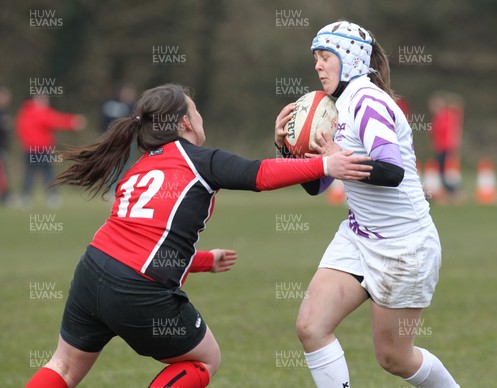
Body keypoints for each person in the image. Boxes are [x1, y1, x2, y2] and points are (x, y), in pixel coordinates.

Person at [26, 84, 372, 388]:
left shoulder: (141, 166)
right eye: (196, 109)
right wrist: (327, 166)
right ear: (186, 122)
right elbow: (261, 174)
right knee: (206, 359)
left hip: (91, 271)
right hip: (137, 288)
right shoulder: (201, 161)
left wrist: (205, 260)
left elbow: (143, 243)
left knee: (64, 367)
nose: (200, 116)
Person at [275, 21, 460, 387]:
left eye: (325, 57)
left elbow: (390, 170)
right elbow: (316, 185)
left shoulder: (367, 100)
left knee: (394, 358)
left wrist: (340, 162)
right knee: (311, 326)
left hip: (403, 246)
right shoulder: (334, 107)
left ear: (350, 59)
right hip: (358, 236)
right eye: (315, 58)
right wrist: (285, 148)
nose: (318, 66)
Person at [15, 94, 86, 208]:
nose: (45, 102)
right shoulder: (36, 113)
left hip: (40, 148)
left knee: (42, 173)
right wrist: (73, 122)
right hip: (34, 149)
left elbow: (55, 119)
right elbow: (56, 121)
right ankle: (41, 197)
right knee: (38, 173)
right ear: (36, 100)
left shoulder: (26, 112)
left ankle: (32, 197)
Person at [428, 91, 462, 201]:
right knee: (442, 172)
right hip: (440, 147)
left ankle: (455, 192)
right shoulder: (438, 117)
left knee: (447, 172)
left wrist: (452, 148)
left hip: (446, 148)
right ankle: (450, 192)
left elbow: (451, 133)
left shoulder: (447, 116)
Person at [0, 86, 12, 204]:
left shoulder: (5, 111)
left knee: (3, 173)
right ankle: (5, 197)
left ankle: (5, 197)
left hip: (3, 147)